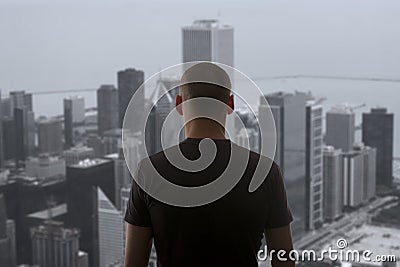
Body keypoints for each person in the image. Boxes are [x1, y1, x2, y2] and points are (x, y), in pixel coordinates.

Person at [124, 62, 294, 267]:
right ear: (230, 104)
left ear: (178, 104)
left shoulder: (149, 172)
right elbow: (284, 260)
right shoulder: (265, 172)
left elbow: (134, 264)